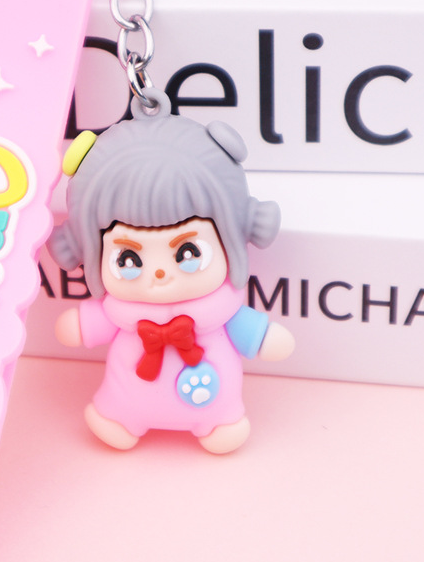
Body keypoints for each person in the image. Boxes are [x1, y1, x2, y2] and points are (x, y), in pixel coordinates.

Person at [47, 89, 294, 453]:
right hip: (125, 399)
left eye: (188, 252)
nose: (160, 274)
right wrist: (79, 326)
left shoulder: (219, 313)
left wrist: (263, 338)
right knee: (118, 406)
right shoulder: (120, 313)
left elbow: (255, 335)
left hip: (213, 400)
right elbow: (80, 328)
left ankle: (219, 423)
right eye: (129, 259)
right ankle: (117, 419)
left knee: (220, 415)